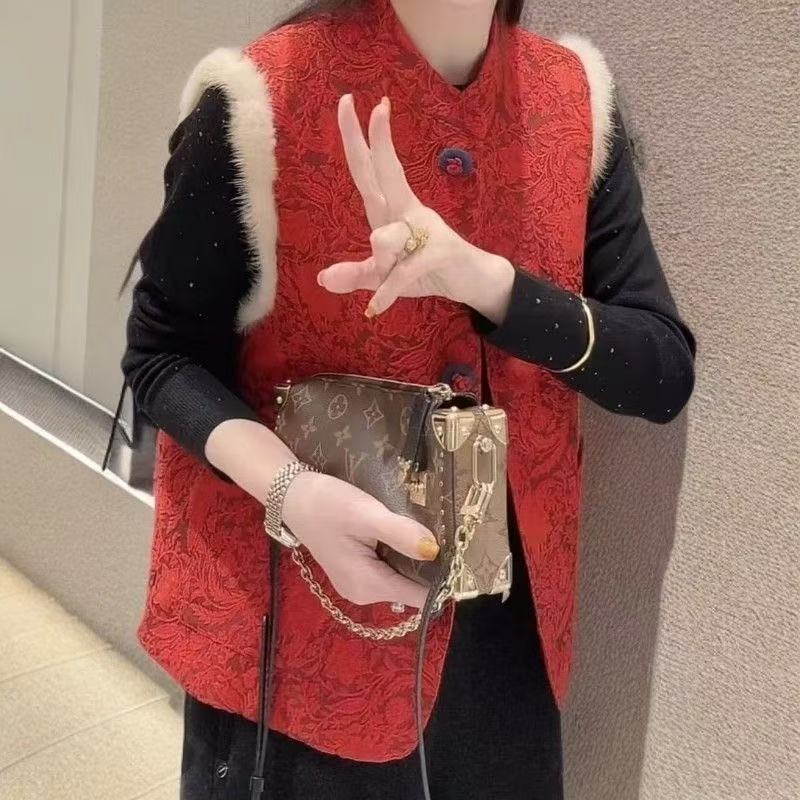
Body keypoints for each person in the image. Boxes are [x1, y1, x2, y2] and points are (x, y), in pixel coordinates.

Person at [120, 0, 696, 797]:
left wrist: (486, 282)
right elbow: (162, 357)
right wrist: (292, 493)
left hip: (503, 665)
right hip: (298, 642)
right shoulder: (261, 95)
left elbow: (661, 370)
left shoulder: (575, 100)